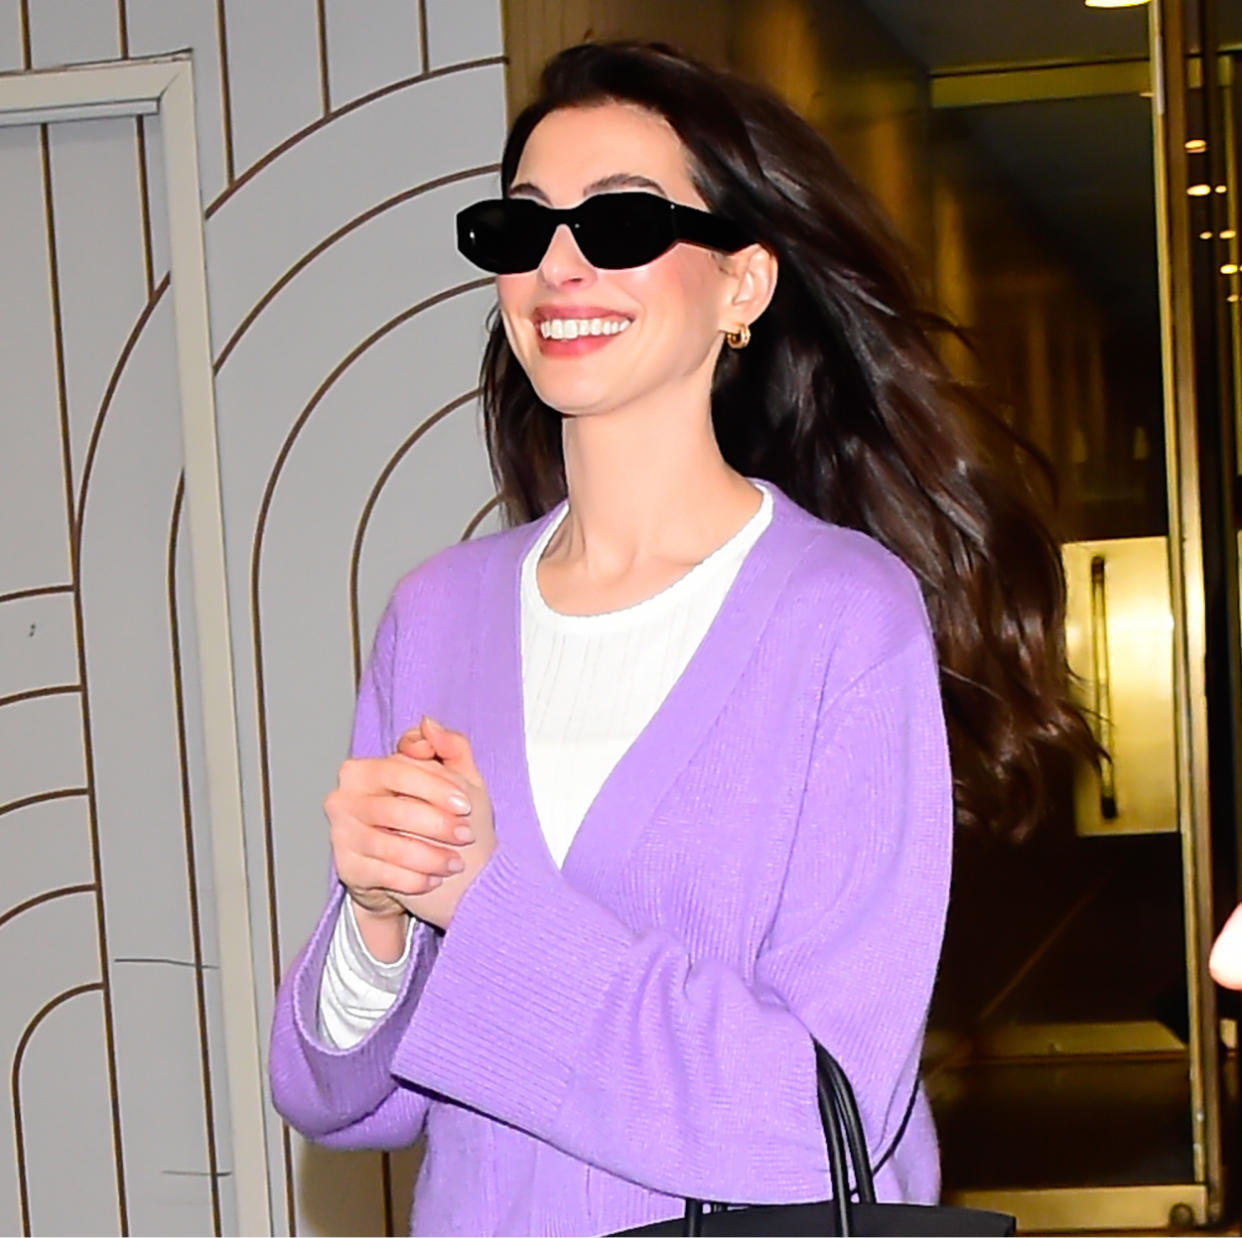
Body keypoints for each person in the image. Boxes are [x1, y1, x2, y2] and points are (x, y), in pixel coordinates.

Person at [268, 40, 1095, 1236]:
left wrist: (484, 904)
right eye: (525, 228)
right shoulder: (436, 613)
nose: (559, 264)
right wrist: (377, 921)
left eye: (619, 224)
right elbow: (341, 1098)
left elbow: (823, 1112)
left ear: (744, 283)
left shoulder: (841, 615)